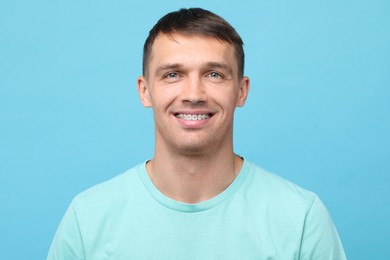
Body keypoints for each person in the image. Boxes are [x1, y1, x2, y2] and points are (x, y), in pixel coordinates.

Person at [48, 8, 346, 259]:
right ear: (145, 90)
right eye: (173, 74)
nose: (193, 94)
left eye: (214, 74)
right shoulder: (87, 220)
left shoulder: (301, 219)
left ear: (241, 91)